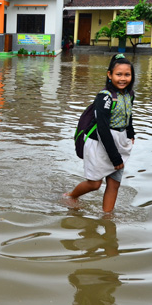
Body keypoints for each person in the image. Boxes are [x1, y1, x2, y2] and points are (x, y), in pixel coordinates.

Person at [64, 54, 135, 212]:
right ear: (109, 75)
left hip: (120, 141)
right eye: (118, 74)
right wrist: (114, 156)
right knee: (95, 184)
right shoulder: (105, 97)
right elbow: (102, 128)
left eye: (127, 74)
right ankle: (70, 196)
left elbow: (128, 114)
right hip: (100, 143)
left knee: (114, 183)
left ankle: (107, 218)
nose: (123, 78)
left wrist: (131, 133)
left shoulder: (129, 95)